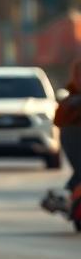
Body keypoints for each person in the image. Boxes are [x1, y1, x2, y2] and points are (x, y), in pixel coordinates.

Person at [52, 59, 81, 229]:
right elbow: (59, 120)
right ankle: (68, 200)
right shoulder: (71, 100)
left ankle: (65, 197)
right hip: (73, 136)